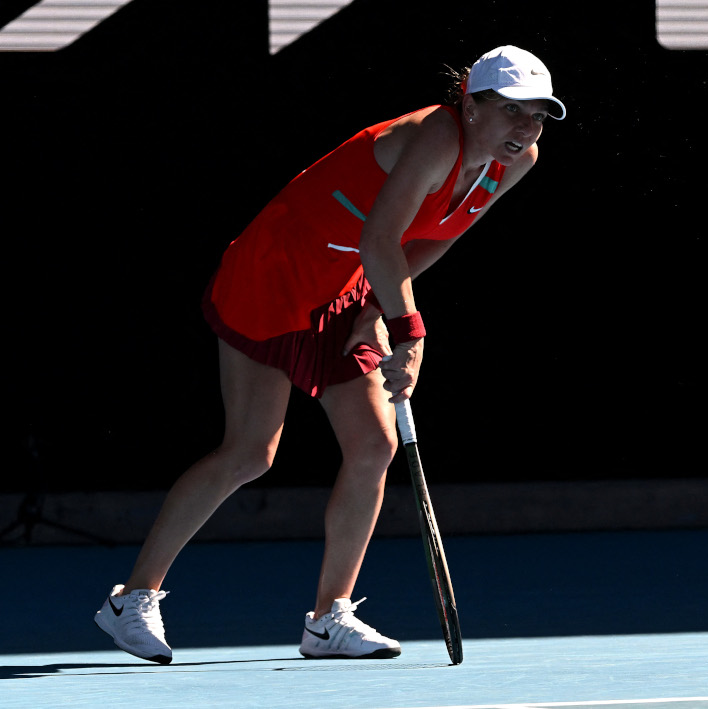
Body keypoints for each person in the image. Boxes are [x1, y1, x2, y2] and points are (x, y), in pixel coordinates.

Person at [93, 45, 567, 664]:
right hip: (276, 270)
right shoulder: (431, 139)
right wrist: (412, 330)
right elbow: (379, 236)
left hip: (350, 283)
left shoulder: (516, 161)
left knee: (374, 444)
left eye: (538, 113)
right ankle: (132, 599)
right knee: (250, 453)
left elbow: (428, 243)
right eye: (512, 110)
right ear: (471, 105)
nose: (527, 126)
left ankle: (328, 619)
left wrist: (377, 312)